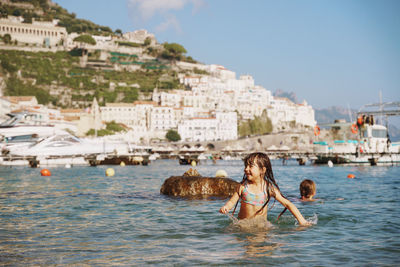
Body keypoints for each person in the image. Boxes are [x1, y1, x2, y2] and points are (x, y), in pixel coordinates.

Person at [219, 152, 310, 226]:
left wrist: (302, 221)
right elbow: (231, 202)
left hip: (261, 226)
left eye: (250, 166)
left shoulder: (268, 188)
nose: (246, 169)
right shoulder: (242, 187)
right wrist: (226, 207)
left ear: (262, 170)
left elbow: (287, 203)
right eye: (245, 166)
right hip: (243, 225)